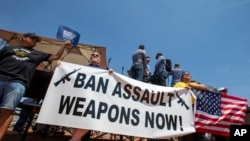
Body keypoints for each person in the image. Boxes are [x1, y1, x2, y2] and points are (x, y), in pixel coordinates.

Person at [0, 32, 70, 140]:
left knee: (7, 110)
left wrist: (64, 45)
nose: (34, 40)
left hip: (18, 83)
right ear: (24, 38)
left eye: (36, 40)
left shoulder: (38, 54)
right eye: (32, 38)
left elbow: (56, 56)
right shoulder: (8, 49)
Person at [68, 51, 113, 141]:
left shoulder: (104, 72)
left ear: (100, 60)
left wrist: (111, 73)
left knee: (89, 120)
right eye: (93, 55)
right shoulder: (82, 68)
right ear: (90, 58)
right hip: (81, 96)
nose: (95, 56)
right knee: (76, 119)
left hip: (94, 99)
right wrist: (60, 64)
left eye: (97, 55)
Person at [174, 71, 207, 141]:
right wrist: (183, 88)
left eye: (188, 74)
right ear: (182, 78)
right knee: (188, 132)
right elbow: (174, 92)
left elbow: (204, 88)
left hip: (196, 109)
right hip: (185, 109)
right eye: (184, 74)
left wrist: (190, 84)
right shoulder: (179, 84)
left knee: (198, 132)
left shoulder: (194, 84)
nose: (186, 75)